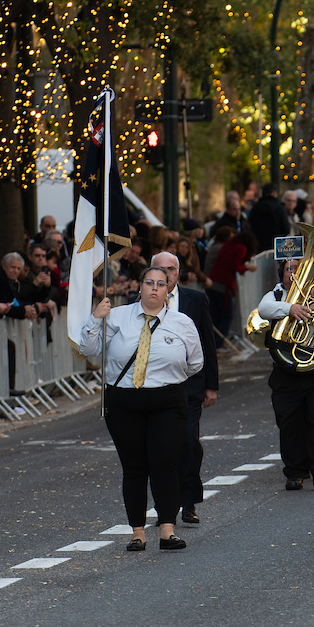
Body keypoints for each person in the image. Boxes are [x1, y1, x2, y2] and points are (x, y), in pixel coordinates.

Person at [81, 267, 203, 551]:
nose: (154, 288)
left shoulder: (182, 322)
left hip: (168, 401)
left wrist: (166, 376)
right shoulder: (118, 315)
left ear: (168, 290)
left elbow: (195, 363)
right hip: (125, 401)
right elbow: (89, 350)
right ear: (140, 286)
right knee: (134, 468)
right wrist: (94, 318)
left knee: (165, 464)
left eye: (161, 284)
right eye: (149, 282)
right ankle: (137, 532)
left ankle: (167, 529)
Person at [258, 259, 314, 490]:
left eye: (297, 268)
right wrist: (290, 308)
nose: (293, 273)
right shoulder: (275, 294)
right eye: (289, 269)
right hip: (286, 369)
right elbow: (263, 310)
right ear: (281, 274)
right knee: (289, 422)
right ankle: (295, 472)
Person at [150, 252, 218, 525]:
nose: (166, 274)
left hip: (190, 385)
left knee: (188, 441)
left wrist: (211, 385)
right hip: (155, 386)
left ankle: (188, 501)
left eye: (171, 269)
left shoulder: (196, 299)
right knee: (160, 448)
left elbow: (208, 343)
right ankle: (166, 506)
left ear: (179, 272)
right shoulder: (143, 299)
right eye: (160, 269)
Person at [207, 231, 259, 346]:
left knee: (215, 316)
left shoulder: (229, 245)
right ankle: (218, 344)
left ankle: (211, 344)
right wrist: (247, 267)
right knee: (227, 316)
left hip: (213, 282)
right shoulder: (241, 248)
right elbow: (235, 266)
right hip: (223, 284)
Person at [249, 183, 291, 255]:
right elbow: (286, 229)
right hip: (276, 247)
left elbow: (250, 225)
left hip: (259, 246)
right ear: (274, 193)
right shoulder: (280, 208)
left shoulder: (255, 208)